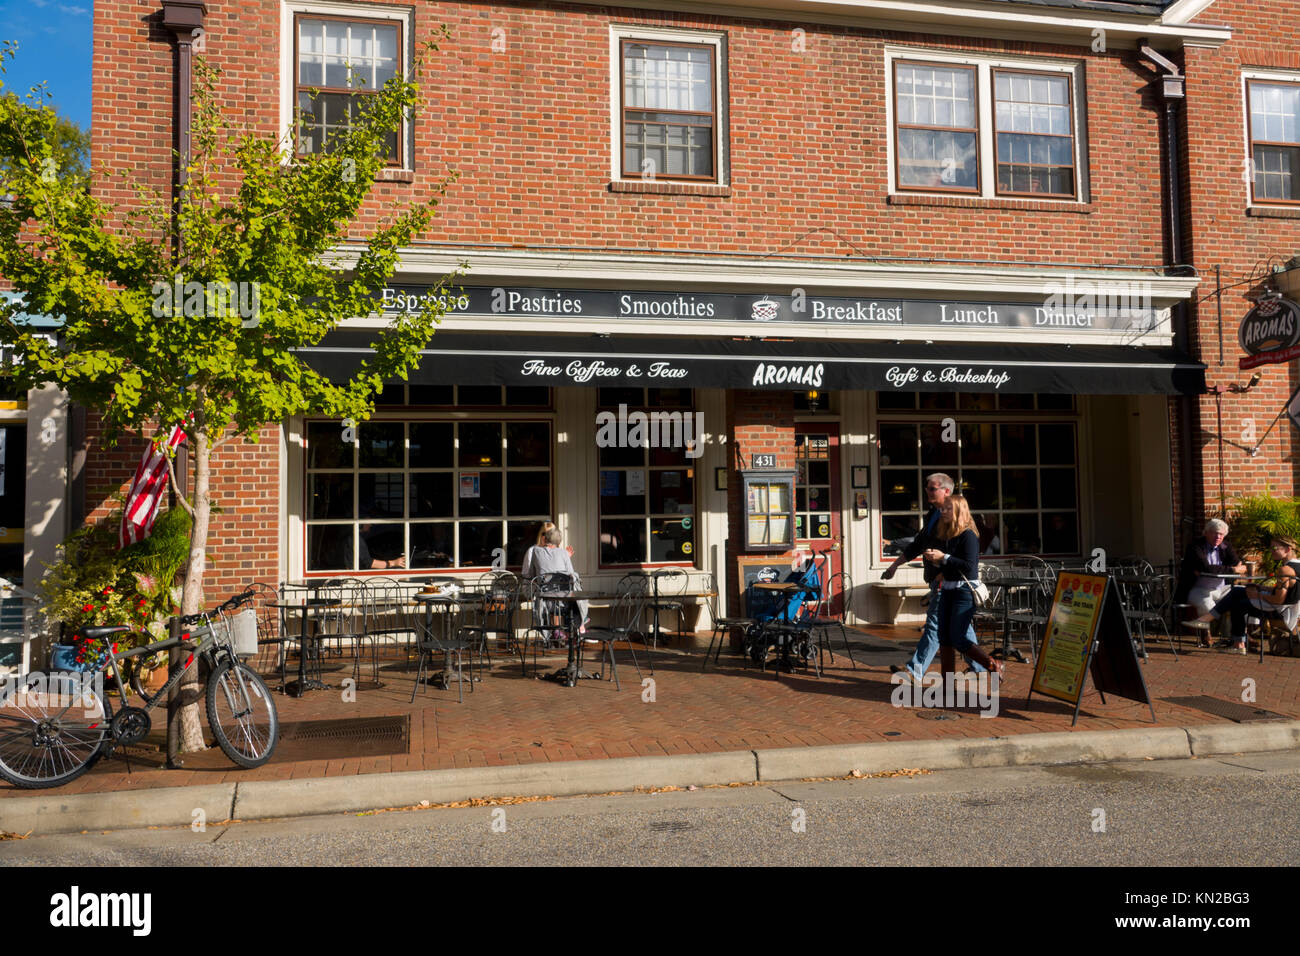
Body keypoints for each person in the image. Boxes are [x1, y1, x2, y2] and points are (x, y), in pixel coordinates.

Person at [882, 472, 985, 683]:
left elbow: (961, 559)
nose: (927, 491)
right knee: (962, 629)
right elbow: (918, 544)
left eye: (932, 488)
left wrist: (942, 570)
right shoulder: (934, 515)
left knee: (935, 625)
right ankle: (982, 668)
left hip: (949, 583)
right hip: (941, 581)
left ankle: (914, 670)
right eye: (927, 487)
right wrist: (894, 566)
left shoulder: (957, 523)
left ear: (946, 491)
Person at [924, 494, 1003, 679]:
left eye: (948, 508)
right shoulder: (946, 535)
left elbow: (969, 566)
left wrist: (943, 557)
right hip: (947, 589)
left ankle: (992, 664)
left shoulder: (968, 535)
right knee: (944, 638)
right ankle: (947, 688)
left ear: (959, 511)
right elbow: (951, 564)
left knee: (958, 638)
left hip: (964, 592)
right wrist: (935, 561)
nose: (943, 511)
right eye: (943, 508)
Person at [1186, 535, 1300, 654]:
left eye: (1274, 548)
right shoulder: (1297, 565)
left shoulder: (1285, 570)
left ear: (1287, 549)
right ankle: (1210, 622)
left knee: (1238, 604)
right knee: (1238, 591)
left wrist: (1257, 595)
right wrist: (1262, 588)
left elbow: (1278, 600)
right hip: (1291, 609)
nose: (1271, 551)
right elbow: (1291, 592)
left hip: (1281, 611)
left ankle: (1237, 643)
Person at [522, 526, 588, 638]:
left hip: (545, 602)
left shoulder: (536, 552)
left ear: (546, 539)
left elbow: (531, 575)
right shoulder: (563, 553)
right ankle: (579, 623)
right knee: (576, 596)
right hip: (563, 603)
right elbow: (571, 576)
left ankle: (562, 631)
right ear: (559, 541)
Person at [1175, 519, 1246, 618]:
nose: (1218, 537)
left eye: (1221, 534)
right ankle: (1207, 632)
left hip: (1221, 589)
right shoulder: (1195, 547)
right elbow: (1206, 568)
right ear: (1206, 533)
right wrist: (1233, 569)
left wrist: (1238, 567)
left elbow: (1237, 563)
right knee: (1209, 608)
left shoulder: (1225, 546)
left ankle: (1248, 630)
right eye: (1215, 533)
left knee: (1244, 593)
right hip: (1198, 589)